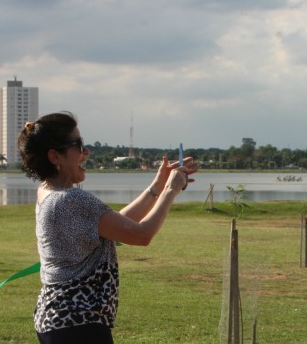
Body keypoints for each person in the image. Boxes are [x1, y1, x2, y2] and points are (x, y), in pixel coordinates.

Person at [18, 112, 198, 344]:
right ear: (55, 156)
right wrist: (171, 190)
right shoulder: (71, 199)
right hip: (78, 323)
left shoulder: (48, 192)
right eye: (78, 145)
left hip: (59, 320)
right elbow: (141, 234)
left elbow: (117, 226)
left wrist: (158, 185)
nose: (86, 152)